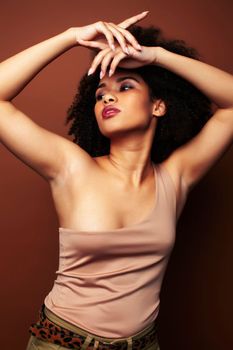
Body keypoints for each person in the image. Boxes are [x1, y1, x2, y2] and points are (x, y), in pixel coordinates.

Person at [0, 10, 232, 350]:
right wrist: (72, 36)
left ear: (158, 106)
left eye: (125, 86)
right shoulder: (72, 168)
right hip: (62, 344)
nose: (108, 96)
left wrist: (156, 57)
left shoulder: (176, 178)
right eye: (100, 94)